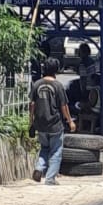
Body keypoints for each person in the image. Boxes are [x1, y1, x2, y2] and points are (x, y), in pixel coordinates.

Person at [29, 57, 75, 185]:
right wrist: (70, 121)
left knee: (44, 148)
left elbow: (32, 104)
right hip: (55, 124)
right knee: (56, 151)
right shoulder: (58, 86)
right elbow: (64, 106)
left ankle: (39, 168)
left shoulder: (37, 84)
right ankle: (50, 179)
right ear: (57, 70)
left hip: (40, 124)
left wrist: (31, 122)